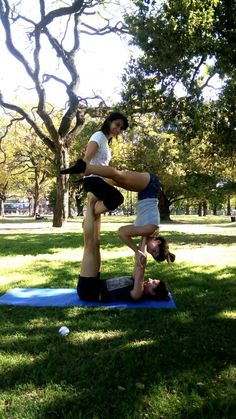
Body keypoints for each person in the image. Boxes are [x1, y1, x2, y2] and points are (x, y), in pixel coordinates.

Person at [61, 160, 175, 263]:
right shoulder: (150, 230)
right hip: (150, 186)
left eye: (151, 253)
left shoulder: (148, 233)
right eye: (154, 250)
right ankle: (85, 167)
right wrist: (136, 250)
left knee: (113, 180)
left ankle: (89, 177)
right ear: (158, 242)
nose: (149, 251)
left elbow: (124, 233)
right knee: (118, 176)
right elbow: (122, 232)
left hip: (145, 191)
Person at [77, 192, 170, 303]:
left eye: (153, 283)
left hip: (89, 291)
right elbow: (139, 259)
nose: (150, 280)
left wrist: (146, 234)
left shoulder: (138, 293)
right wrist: (145, 235)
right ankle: (95, 205)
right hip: (96, 282)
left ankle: (91, 200)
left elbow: (141, 264)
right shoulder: (136, 281)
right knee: (95, 242)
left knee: (89, 244)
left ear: (153, 292)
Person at [61, 111, 129, 214]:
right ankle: (91, 209)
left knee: (115, 199)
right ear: (109, 121)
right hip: (92, 180)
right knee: (117, 198)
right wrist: (83, 170)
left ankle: (91, 213)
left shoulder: (105, 141)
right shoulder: (98, 136)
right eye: (117, 124)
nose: (118, 129)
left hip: (99, 180)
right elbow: (86, 159)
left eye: (121, 128)